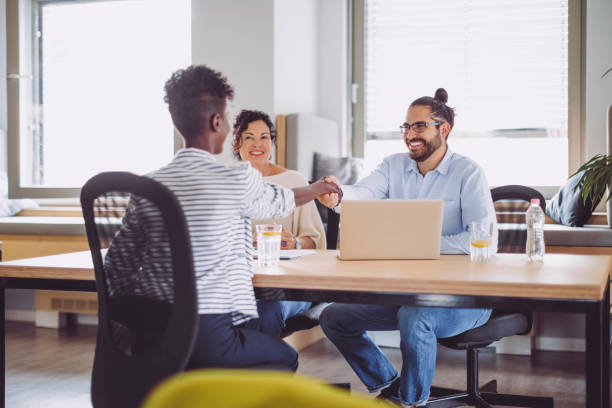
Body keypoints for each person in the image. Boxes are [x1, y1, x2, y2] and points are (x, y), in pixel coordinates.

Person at [104, 65, 341, 371]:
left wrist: (141, 317)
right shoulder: (235, 178)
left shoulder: (147, 186)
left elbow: (117, 266)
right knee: (285, 357)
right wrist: (321, 187)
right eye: (228, 119)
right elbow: (284, 199)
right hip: (211, 337)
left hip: (154, 335)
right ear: (218, 122)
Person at [318, 88, 497, 407]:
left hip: (465, 298)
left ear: (444, 129)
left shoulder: (467, 172)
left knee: (417, 317)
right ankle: (389, 384)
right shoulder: (393, 166)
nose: (410, 134)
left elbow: (483, 238)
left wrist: (420, 246)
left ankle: (411, 403)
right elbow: (365, 192)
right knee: (334, 317)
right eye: (406, 127)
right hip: (408, 293)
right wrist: (339, 195)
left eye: (419, 126)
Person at [231, 109, 326, 337]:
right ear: (236, 143)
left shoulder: (294, 181)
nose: (258, 144)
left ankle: (261, 368)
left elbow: (314, 241)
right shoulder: (227, 183)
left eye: (264, 137)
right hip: (243, 284)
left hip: (289, 286)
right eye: (249, 137)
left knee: (266, 307)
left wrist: (294, 242)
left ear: (272, 142)